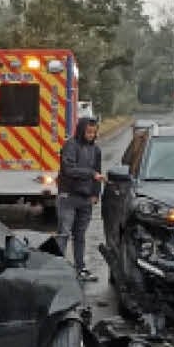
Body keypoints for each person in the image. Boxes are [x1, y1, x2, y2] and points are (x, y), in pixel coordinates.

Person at [56, 117, 104, 281]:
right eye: (88, 131)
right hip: (68, 196)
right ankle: (57, 268)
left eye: (94, 132)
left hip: (86, 198)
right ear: (81, 130)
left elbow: (98, 173)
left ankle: (80, 268)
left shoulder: (96, 150)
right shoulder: (71, 145)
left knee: (80, 235)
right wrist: (90, 173)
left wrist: (96, 194)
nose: (91, 135)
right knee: (64, 233)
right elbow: (68, 169)